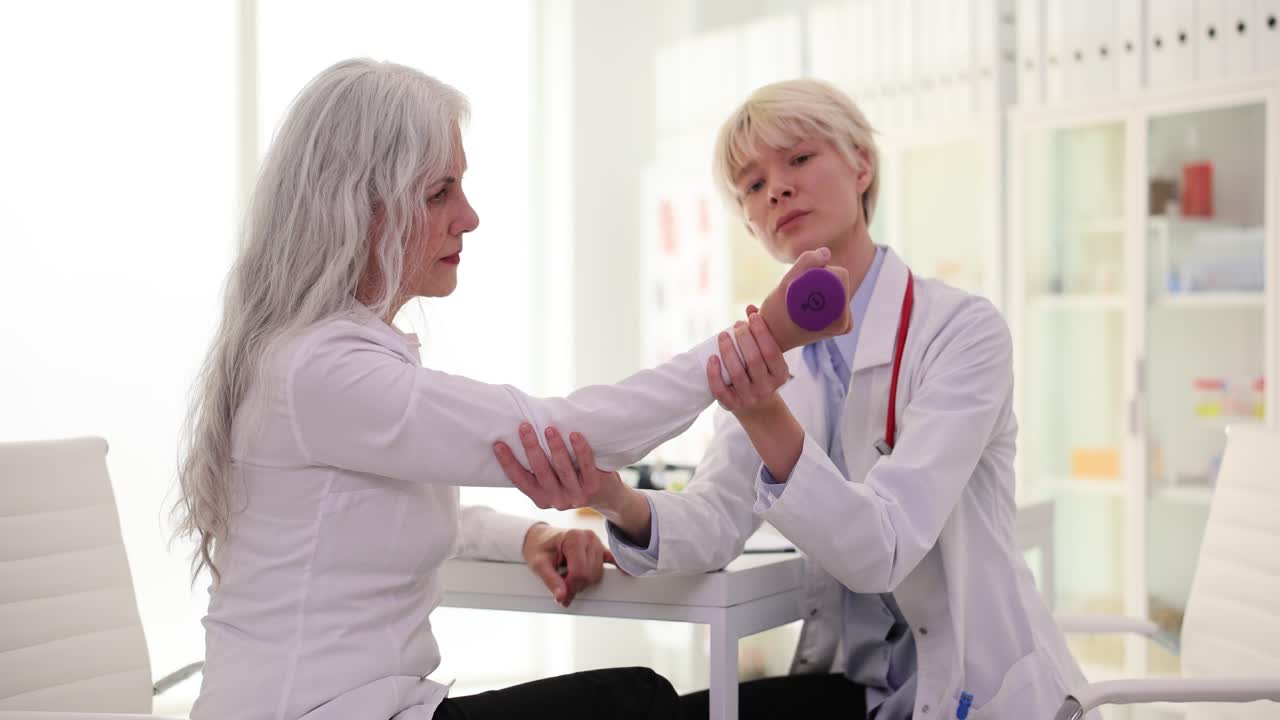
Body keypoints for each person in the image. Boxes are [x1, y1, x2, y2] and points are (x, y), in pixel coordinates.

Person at [173, 60, 851, 720]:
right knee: (636, 700)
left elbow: (380, 515)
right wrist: (765, 335)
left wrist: (526, 536)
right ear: (362, 209)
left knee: (742, 702)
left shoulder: (316, 357)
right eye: (439, 192)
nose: (467, 217)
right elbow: (574, 436)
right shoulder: (324, 371)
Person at [496, 78, 1094, 719]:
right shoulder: (782, 357)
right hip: (859, 689)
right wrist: (612, 495)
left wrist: (762, 414)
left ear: (862, 164)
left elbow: (883, 550)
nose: (776, 188)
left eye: (800, 159)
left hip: (971, 693)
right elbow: (715, 519)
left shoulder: (960, 332)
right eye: (752, 186)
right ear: (751, 227)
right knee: (643, 705)